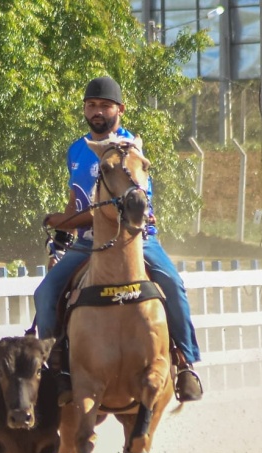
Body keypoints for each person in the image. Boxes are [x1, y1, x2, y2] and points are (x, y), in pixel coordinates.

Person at [34, 76, 203, 402]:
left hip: (135, 240)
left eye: (105, 106)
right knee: (45, 293)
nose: (97, 111)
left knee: (172, 282)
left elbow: (123, 206)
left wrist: (64, 220)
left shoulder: (130, 148)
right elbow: (78, 199)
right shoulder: (76, 150)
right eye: (91, 105)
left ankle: (185, 362)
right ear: (84, 108)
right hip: (87, 242)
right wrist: (63, 226)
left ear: (120, 109)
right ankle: (54, 366)